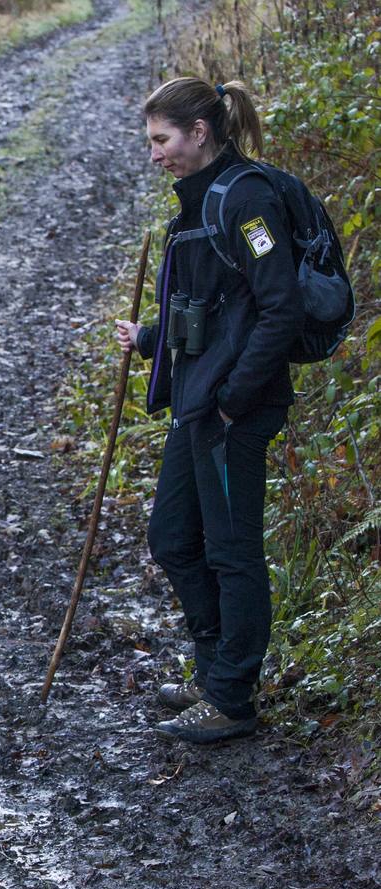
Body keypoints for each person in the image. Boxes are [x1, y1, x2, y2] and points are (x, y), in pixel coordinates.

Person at [115, 77, 301, 745]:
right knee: (171, 539)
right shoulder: (197, 203)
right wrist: (148, 339)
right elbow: (211, 311)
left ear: (200, 132)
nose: (155, 154)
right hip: (199, 405)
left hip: (230, 411)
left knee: (231, 551)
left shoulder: (245, 200)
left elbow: (281, 308)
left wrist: (231, 399)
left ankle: (231, 696)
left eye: (162, 140)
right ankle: (218, 667)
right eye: (151, 142)